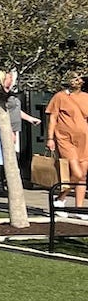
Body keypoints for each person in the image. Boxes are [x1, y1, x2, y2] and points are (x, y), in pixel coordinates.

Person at [47, 71, 88, 209]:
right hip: (65, 138)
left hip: (84, 139)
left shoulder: (86, 97)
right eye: (74, 78)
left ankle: (78, 207)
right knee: (77, 173)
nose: (77, 81)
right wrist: (50, 138)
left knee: (83, 175)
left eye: (79, 78)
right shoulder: (60, 97)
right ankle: (60, 197)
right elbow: (53, 117)